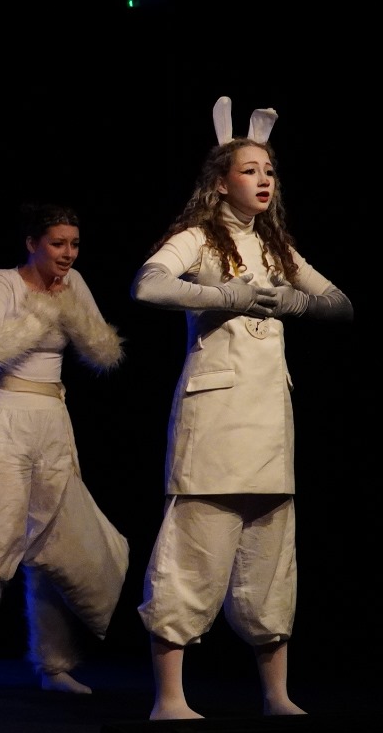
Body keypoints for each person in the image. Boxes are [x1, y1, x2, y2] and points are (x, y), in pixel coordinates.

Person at [132, 96, 352, 720]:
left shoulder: (278, 249)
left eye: (269, 170)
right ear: (220, 181)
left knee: (270, 559)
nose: (263, 179)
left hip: (269, 427)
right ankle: (169, 699)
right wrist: (222, 296)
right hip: (217, 421)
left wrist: (296, 303)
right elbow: (146, 285)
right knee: (193, 556)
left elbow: (341, 304)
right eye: (250, 169)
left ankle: (276, 695)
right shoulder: (198, 239)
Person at [0, 203, 127, 698]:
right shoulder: (3, 281)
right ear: (32, 243)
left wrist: (70, 308)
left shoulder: (73, 283)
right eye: (58, 243)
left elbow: (105, 351)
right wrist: (43, 308)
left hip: (53, 419)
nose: (68, 253)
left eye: (74, 244)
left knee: (53, 542)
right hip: (5, 415)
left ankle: (54, 665)